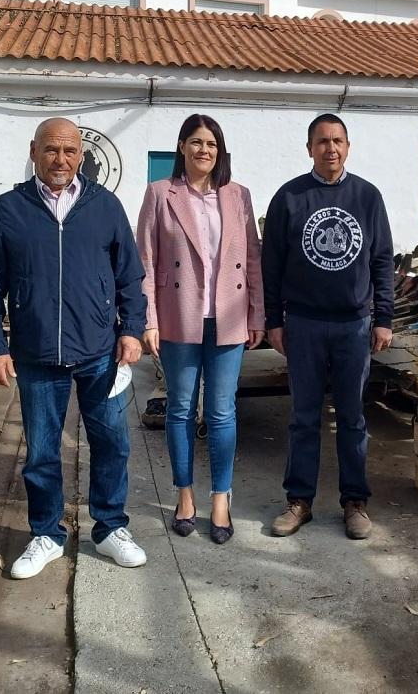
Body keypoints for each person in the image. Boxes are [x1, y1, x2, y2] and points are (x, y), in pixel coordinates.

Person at [0, 117, 148, 579]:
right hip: (35, 355)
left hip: (99, 351)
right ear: (34, 151)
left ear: (82, 157)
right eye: (51, 150)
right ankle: (46, 534)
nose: (61, 160)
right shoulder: (7, 210)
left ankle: (110, 528)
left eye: (70, 151)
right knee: (43, 452)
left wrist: (131, 328)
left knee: (111, 443)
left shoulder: (105, 206)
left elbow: (129, 274)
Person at [262, 113, 394, 541]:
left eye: (337, 141)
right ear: (309, 149)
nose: (330, 148)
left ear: (348, 147)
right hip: (303, 323)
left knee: (353, 418)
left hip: (354, 325)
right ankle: (299, 501)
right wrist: (273, 321)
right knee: (303, 417)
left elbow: (381, 262)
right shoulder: (289, 198)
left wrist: (384, 318)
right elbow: (272, 266)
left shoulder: (368, 197)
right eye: (322, 141)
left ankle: (355, 502)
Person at [136, 114, 264, 544]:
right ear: (182, 147)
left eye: (211, 143)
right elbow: (146, 264)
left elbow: (255, 260)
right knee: (180, 408)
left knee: (222, 411)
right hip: (179, 317)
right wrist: (148, 320)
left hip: (228, 317)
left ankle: (222, 497)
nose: (203, 150)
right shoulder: (160, 194)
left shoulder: (239, 196)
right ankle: (185, 494)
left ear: (220, 150)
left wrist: (257, 315)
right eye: (195, 142)